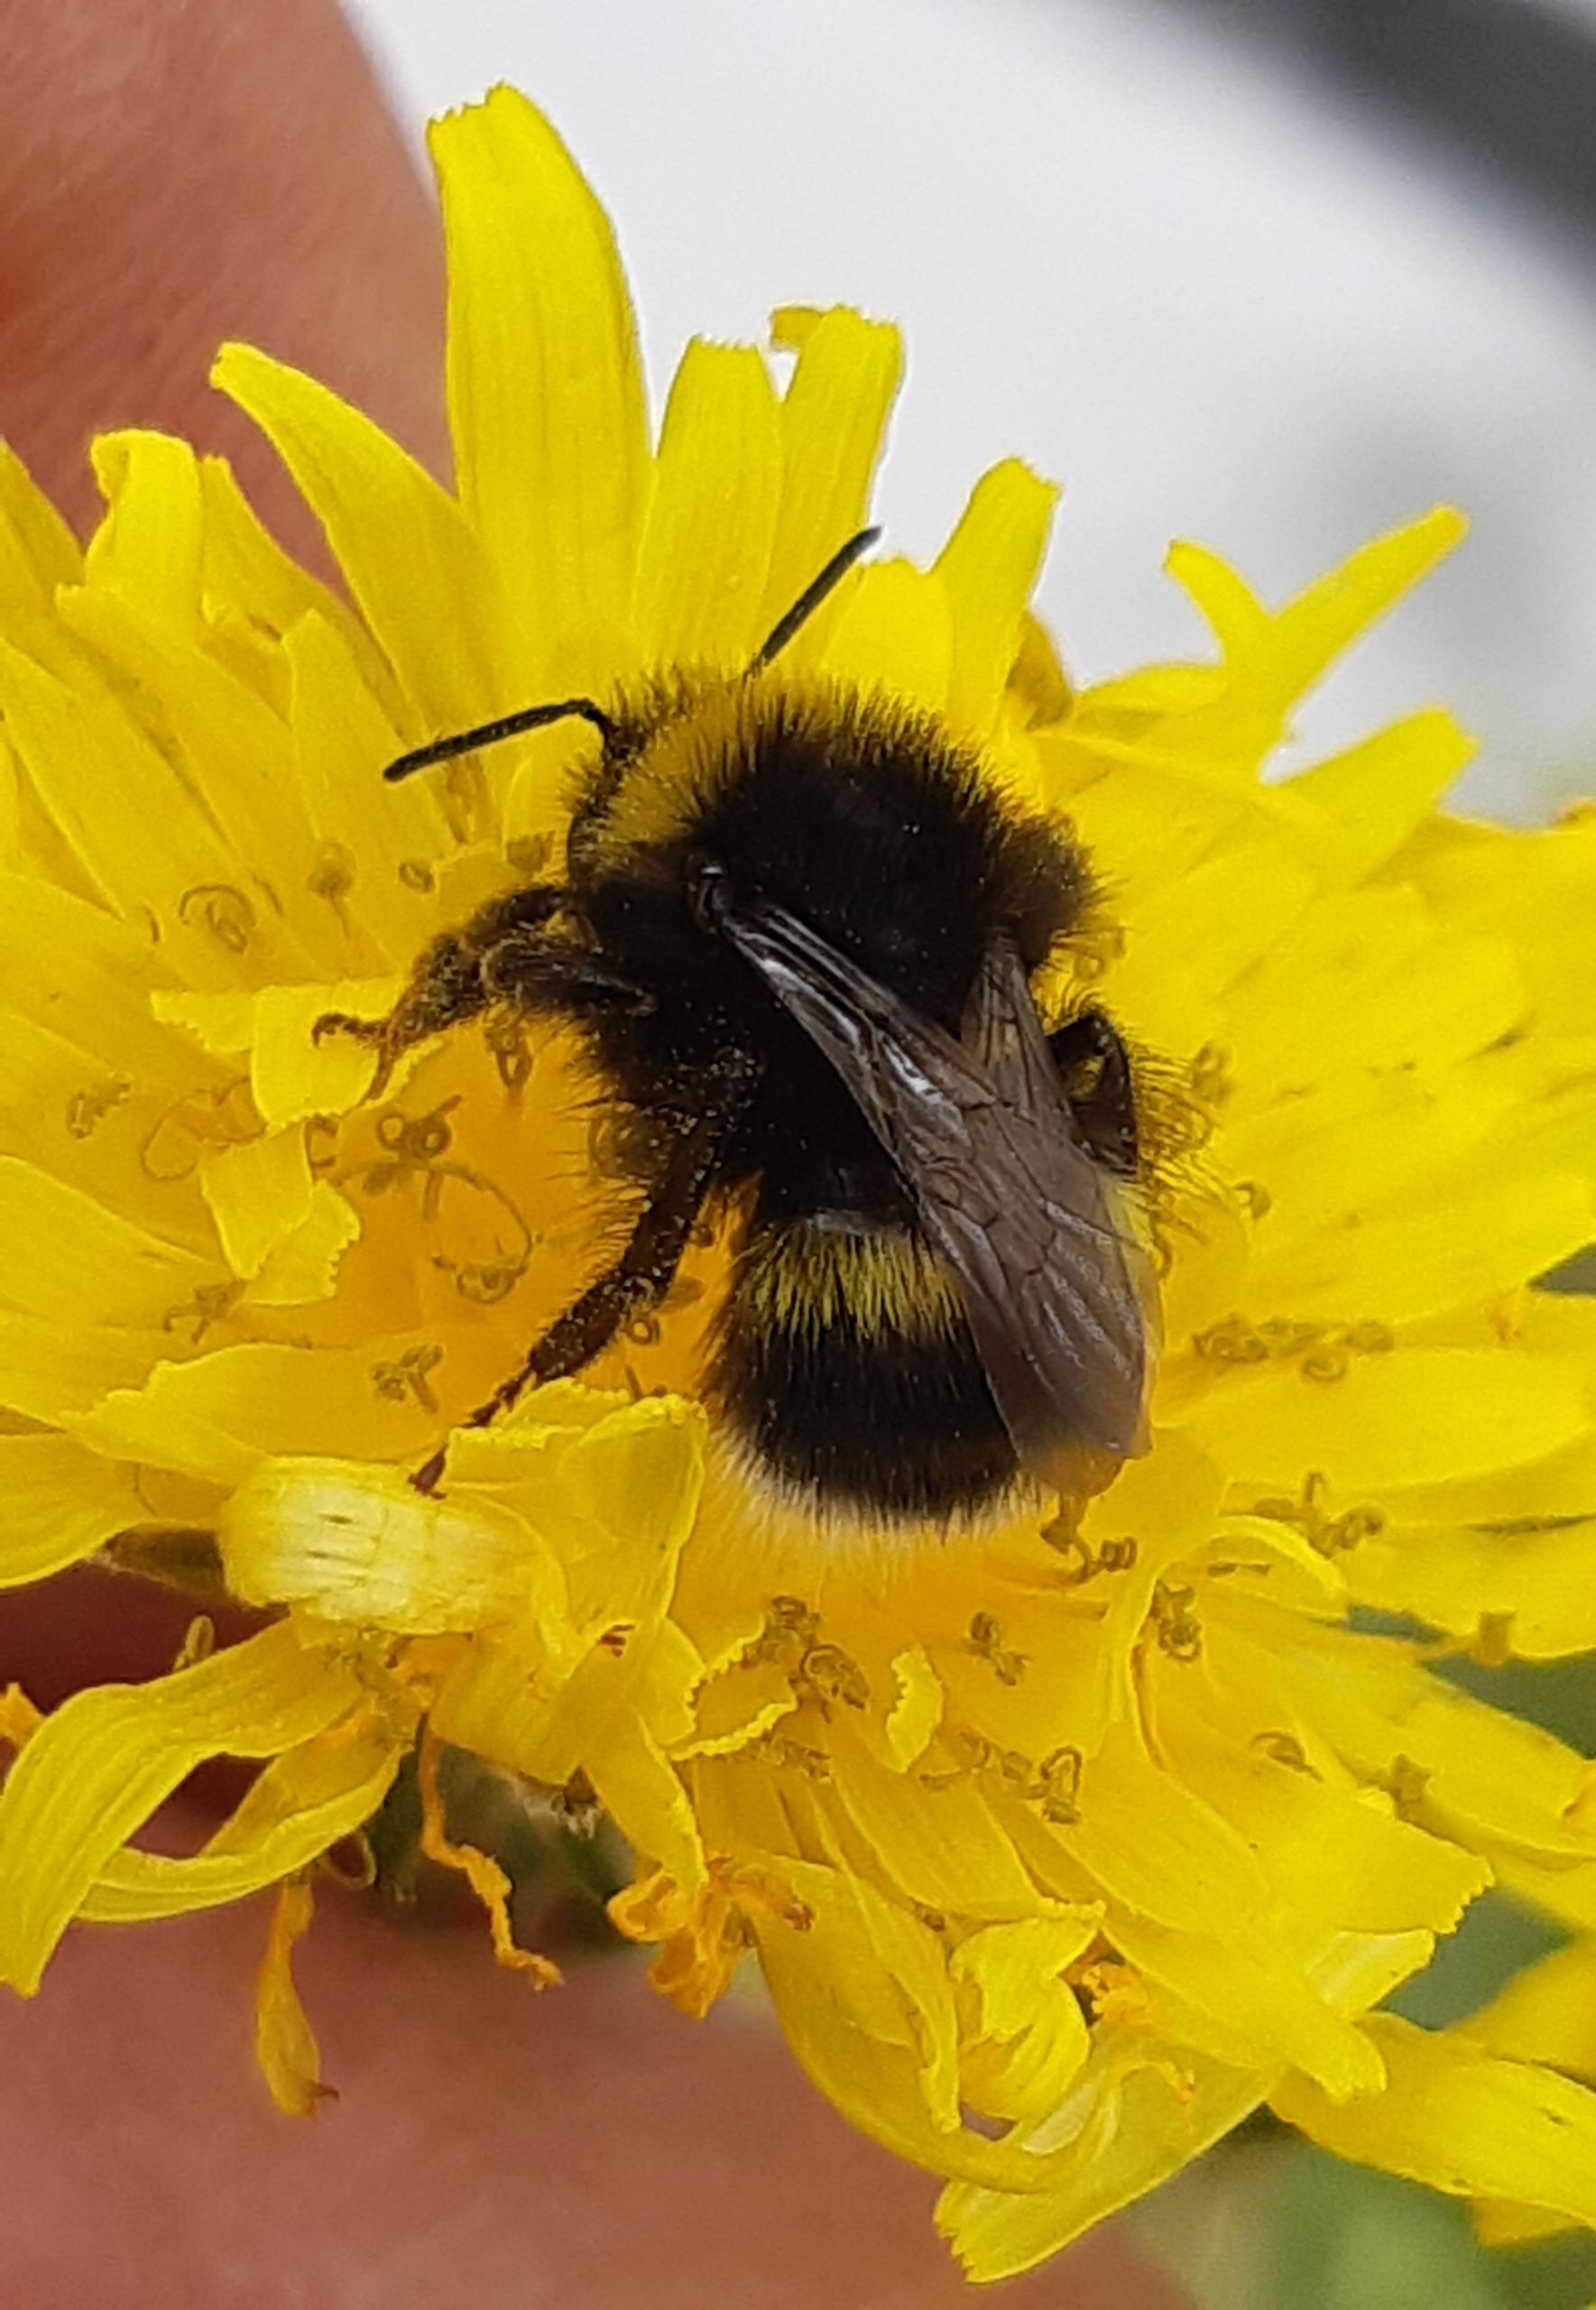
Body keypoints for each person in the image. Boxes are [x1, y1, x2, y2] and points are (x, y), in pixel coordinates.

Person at [0, 6, 1187, 2302]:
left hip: (848, 1384)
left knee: (704, 1137)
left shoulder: (732, 916)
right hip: (985, 1314)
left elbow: (691, 1037)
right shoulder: (937, 899)